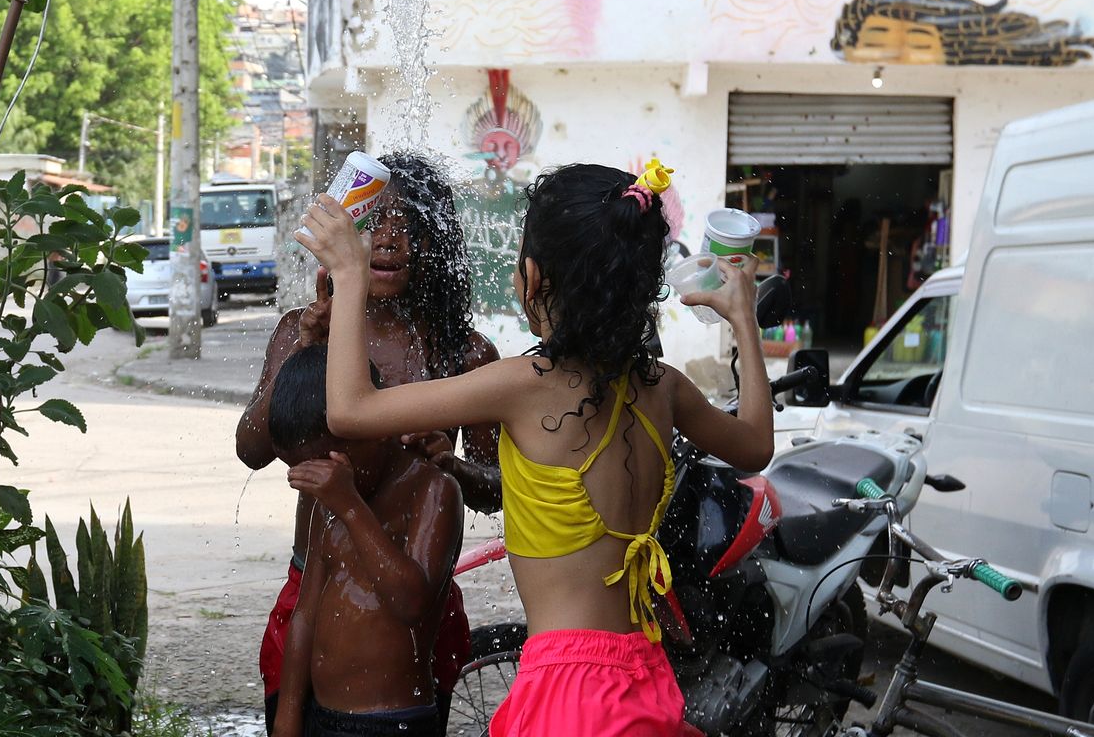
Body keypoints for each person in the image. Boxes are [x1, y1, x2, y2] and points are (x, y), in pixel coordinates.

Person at [298, 162, 774, 735]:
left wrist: (350, 274)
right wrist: (744, 319)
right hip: (643, 674)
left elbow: (350, 410)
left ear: (531, 276)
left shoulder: (526, 385)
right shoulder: (662, 386)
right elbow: (754, 446)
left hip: (567, 692)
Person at [241, 152, 500, 731]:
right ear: (346, 232)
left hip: (413, 596)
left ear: (436, 242)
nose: (388, 239)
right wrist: (302, 350)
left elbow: (496, 489)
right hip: (313, 584)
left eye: (408, 224)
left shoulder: (464, 355)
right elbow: (252, 449)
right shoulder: (303, 330)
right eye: (373, 221)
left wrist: (450, 465)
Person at [269, 344, 463, 737]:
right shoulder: (331, 503)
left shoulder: (432, 491)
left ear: (368, 429)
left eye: (323, 469)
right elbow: (304, 616)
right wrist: (288, 716)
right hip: (323, 716)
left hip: (393, 721)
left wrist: (352, 507)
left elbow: (411, 603)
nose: (319, 486)